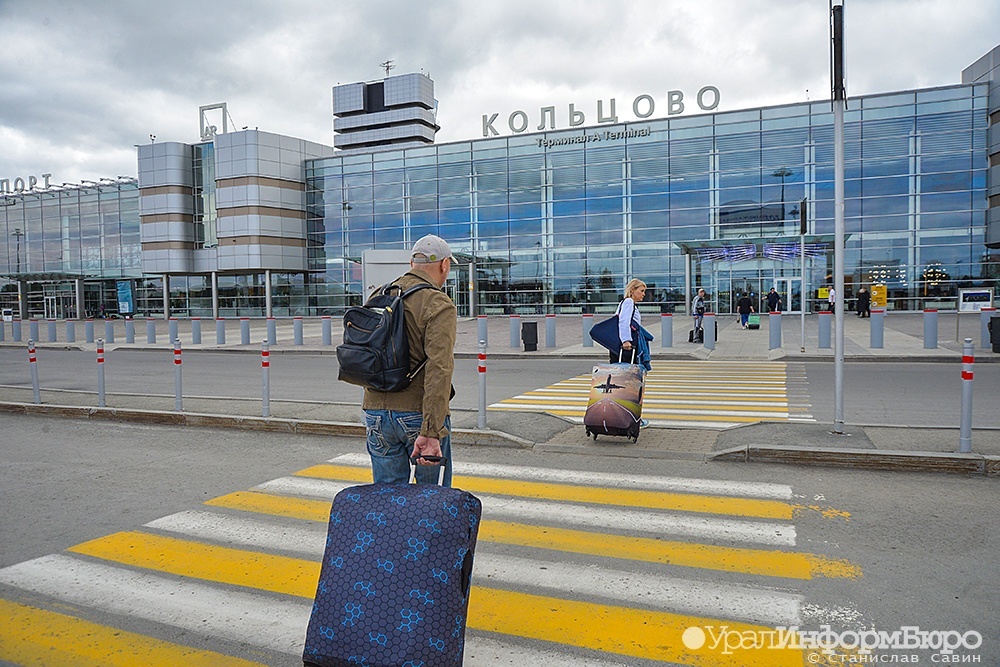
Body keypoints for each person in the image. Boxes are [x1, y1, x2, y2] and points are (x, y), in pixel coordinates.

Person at [362, 234, 458, 486]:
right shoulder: (438, 303)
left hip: (376, 413)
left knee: (387, 501)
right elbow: (439, 369)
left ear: (412, 262)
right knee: (430, 503)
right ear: (444, 264)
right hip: (418, 415)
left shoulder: (380, 295)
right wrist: (432, 431)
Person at [613, 278, 651, 427]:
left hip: (624, 348)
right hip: (627, 348)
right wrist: (626, 341)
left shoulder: (626, 303)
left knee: (623, 384)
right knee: (630, 385)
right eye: (641, 291)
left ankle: (622, 417)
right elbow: (623, 321)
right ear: (632, 290)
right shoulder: (628, 302)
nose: (643, 294)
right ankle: (632, 419)